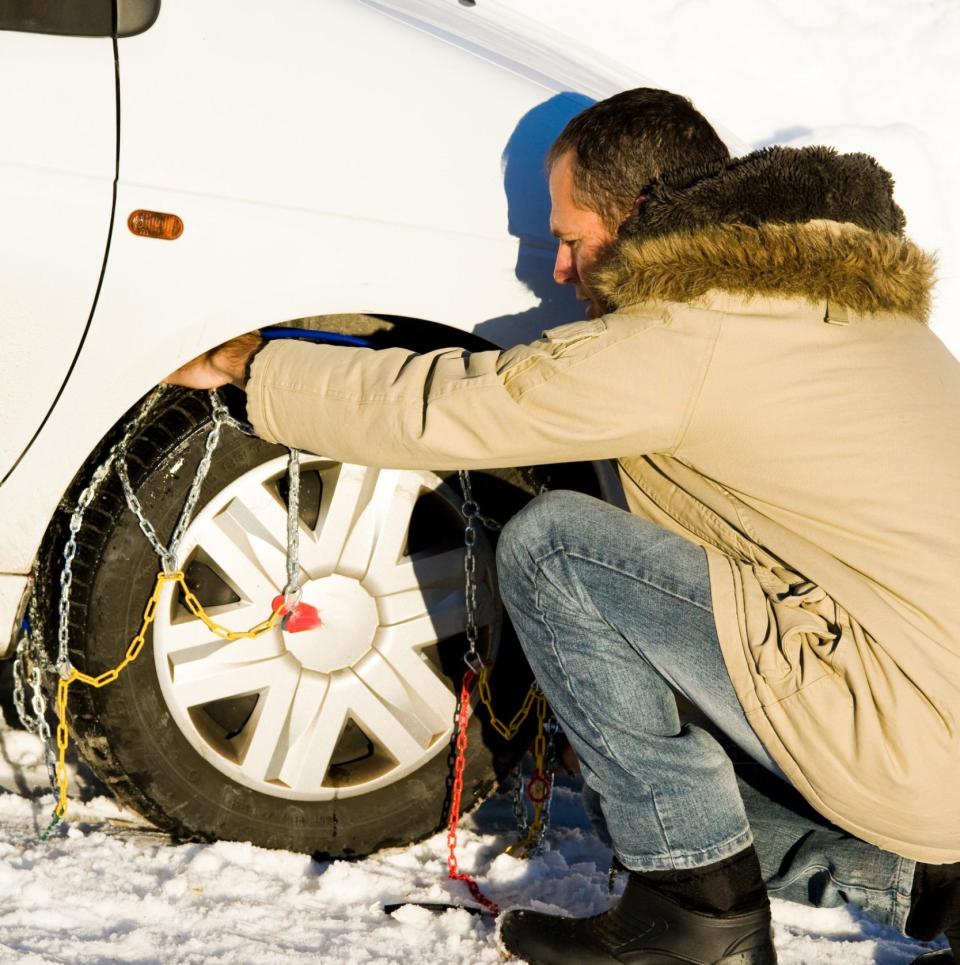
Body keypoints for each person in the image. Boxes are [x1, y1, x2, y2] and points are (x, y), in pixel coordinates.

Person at [166, 89, 960, 965]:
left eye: (571, 240)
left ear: (636, 217)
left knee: (557, 550)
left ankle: (695, 919)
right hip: (930, 743)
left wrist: (256, 364)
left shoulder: (698, 334)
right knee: (635, 773)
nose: (556, 272)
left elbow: (460, 404)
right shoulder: (860, 317)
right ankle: (931, 884)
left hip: (902, 732)